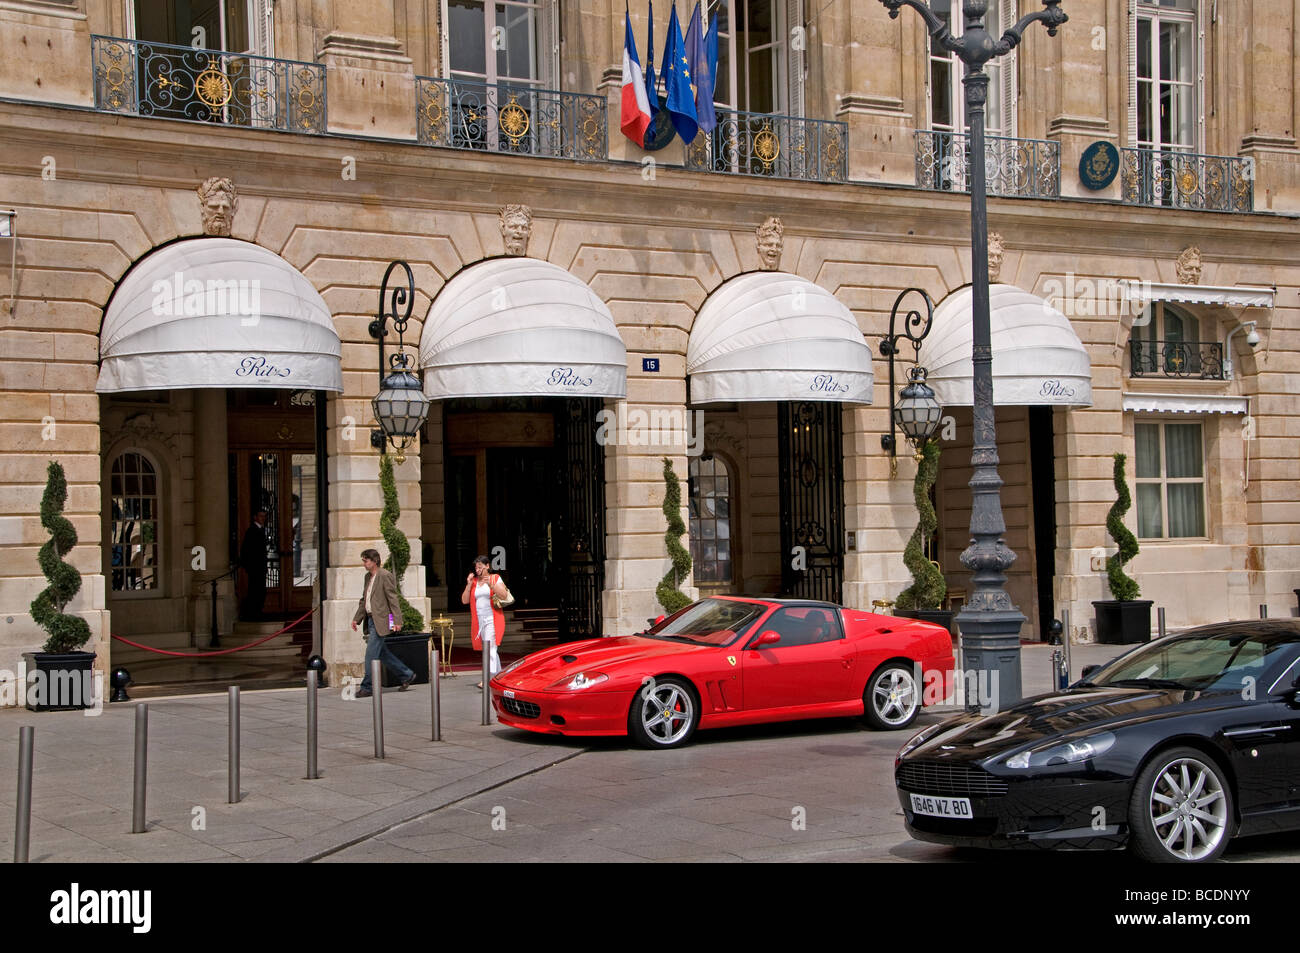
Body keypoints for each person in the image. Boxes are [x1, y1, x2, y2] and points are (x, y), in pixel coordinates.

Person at [351, 548, 416, 697]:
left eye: (365, 560)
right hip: (371, 620)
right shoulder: (368, 577)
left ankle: (367, 687)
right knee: (382, 653)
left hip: (382, 620)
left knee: (370, 655)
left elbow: (393, 599)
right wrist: (357, 619)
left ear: (374, 561)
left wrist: (397, 621)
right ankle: (406, 674)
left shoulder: (385, 575)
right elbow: (364, 600)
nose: (364, 563)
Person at [462, 555, 509, 690]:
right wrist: (469, 583)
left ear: (487, 566)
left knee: (490, 648)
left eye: (480, 567)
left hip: (492, 619)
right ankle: (500, 677)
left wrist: (491, 585)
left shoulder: (495, 578)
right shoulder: (475, 582)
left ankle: (487, 678)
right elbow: (464, 600)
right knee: (489, 648)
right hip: (479, 620)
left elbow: (504, 595)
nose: (478, 570)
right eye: (476, 567)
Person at [239, 508, 269, 621]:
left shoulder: (260, 530)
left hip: (259, 567)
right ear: (255, 517)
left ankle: (257, 612)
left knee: (260, 590)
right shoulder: (252, 531)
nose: (263, 519)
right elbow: (247, 550)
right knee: (256, 590)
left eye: (264, 516)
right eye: (261, 516)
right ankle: (254, 613)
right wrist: (250, 566)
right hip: (255, 568)